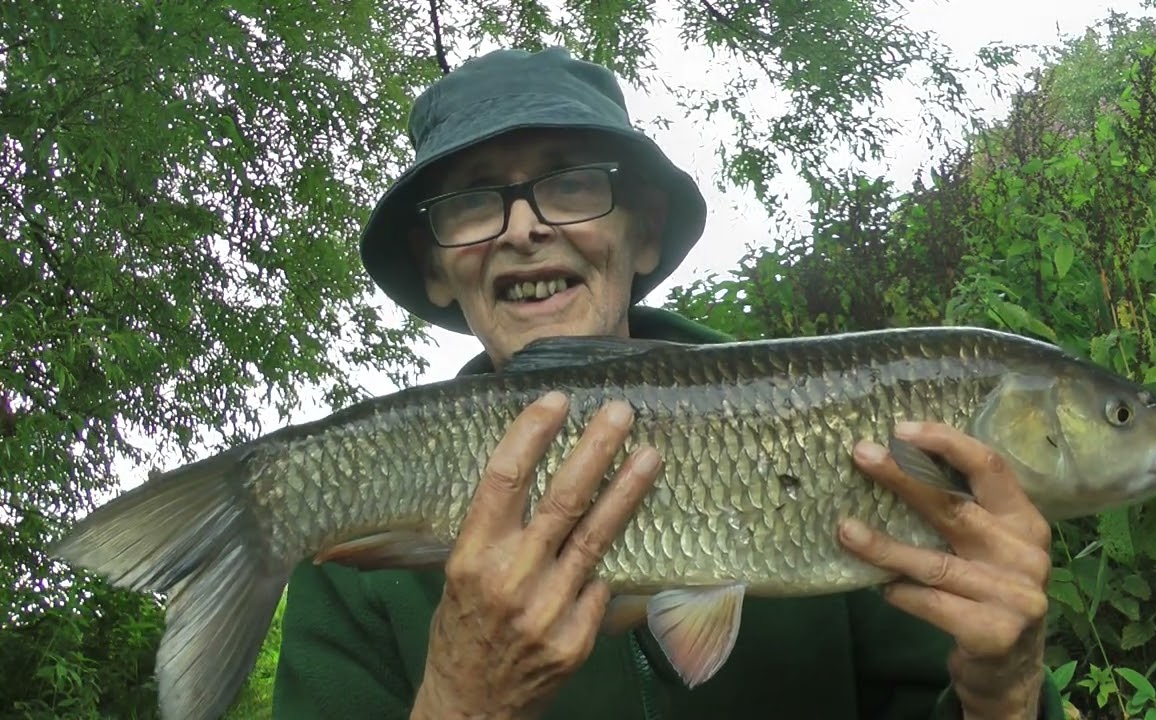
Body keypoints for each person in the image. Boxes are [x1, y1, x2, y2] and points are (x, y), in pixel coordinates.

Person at [272, 47, 1067, 720]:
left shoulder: (854, 437)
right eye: (473, 202)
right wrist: (460, 702)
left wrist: (1005, 693)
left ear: (644, 231)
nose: (524, 228)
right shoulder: (343, 535)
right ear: (435, 269)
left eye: (571, 183)